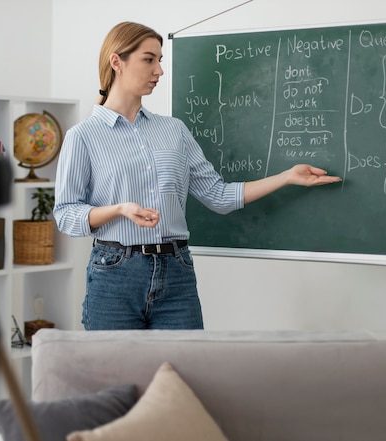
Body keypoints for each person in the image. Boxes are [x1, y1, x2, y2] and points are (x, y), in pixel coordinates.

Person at [53, 21, 341, 331]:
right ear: (117, 62)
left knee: (185, 371)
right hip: (115, 275)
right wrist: (120, 209)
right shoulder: (82, 136)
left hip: (177, 273)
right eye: (149, 59)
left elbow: (218, 196)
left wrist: (286, 177)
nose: (159, 71)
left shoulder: (174, 130)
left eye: (160, 60)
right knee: (117, 376)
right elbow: (66, 214)